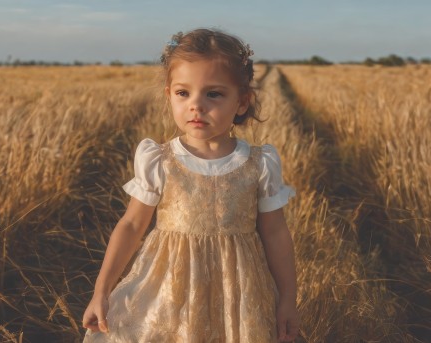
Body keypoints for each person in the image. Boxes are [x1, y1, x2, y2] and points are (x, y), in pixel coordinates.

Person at [82, 28, 300, 342]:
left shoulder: (259, 164)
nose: (196, 105)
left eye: (213, 94)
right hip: (168, 293)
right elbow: (131, 225)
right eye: (184, 93)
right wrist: (101, 292)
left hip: (238, 298)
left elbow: (276, 233)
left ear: (241, 102)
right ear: (169, 94)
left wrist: (288, 299)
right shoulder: (159, 160)